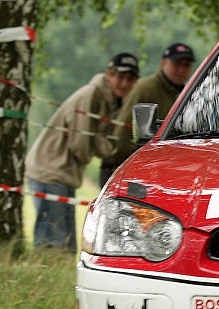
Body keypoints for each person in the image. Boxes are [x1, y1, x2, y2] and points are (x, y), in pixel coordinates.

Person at [26, 53, 139, 249]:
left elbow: (92, 138)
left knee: (66, 244)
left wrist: (101, 144)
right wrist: (108, 148)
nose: (124, 83)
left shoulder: (110, 101)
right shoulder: (92, 94)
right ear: (108, 75)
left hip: (61, 173)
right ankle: (41, 267)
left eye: (130, 79)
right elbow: (80, 144)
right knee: (53, 243)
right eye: (120, 77)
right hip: (51, 170)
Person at [107, 42, 196, 174]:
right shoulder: (145, 89)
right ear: (163, 63)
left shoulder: (187, 94)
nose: (181, 70)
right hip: (125, 168)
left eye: (186, 65)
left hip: (160, 169)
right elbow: (123, 133)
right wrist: (127, 167)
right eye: (176, 64)